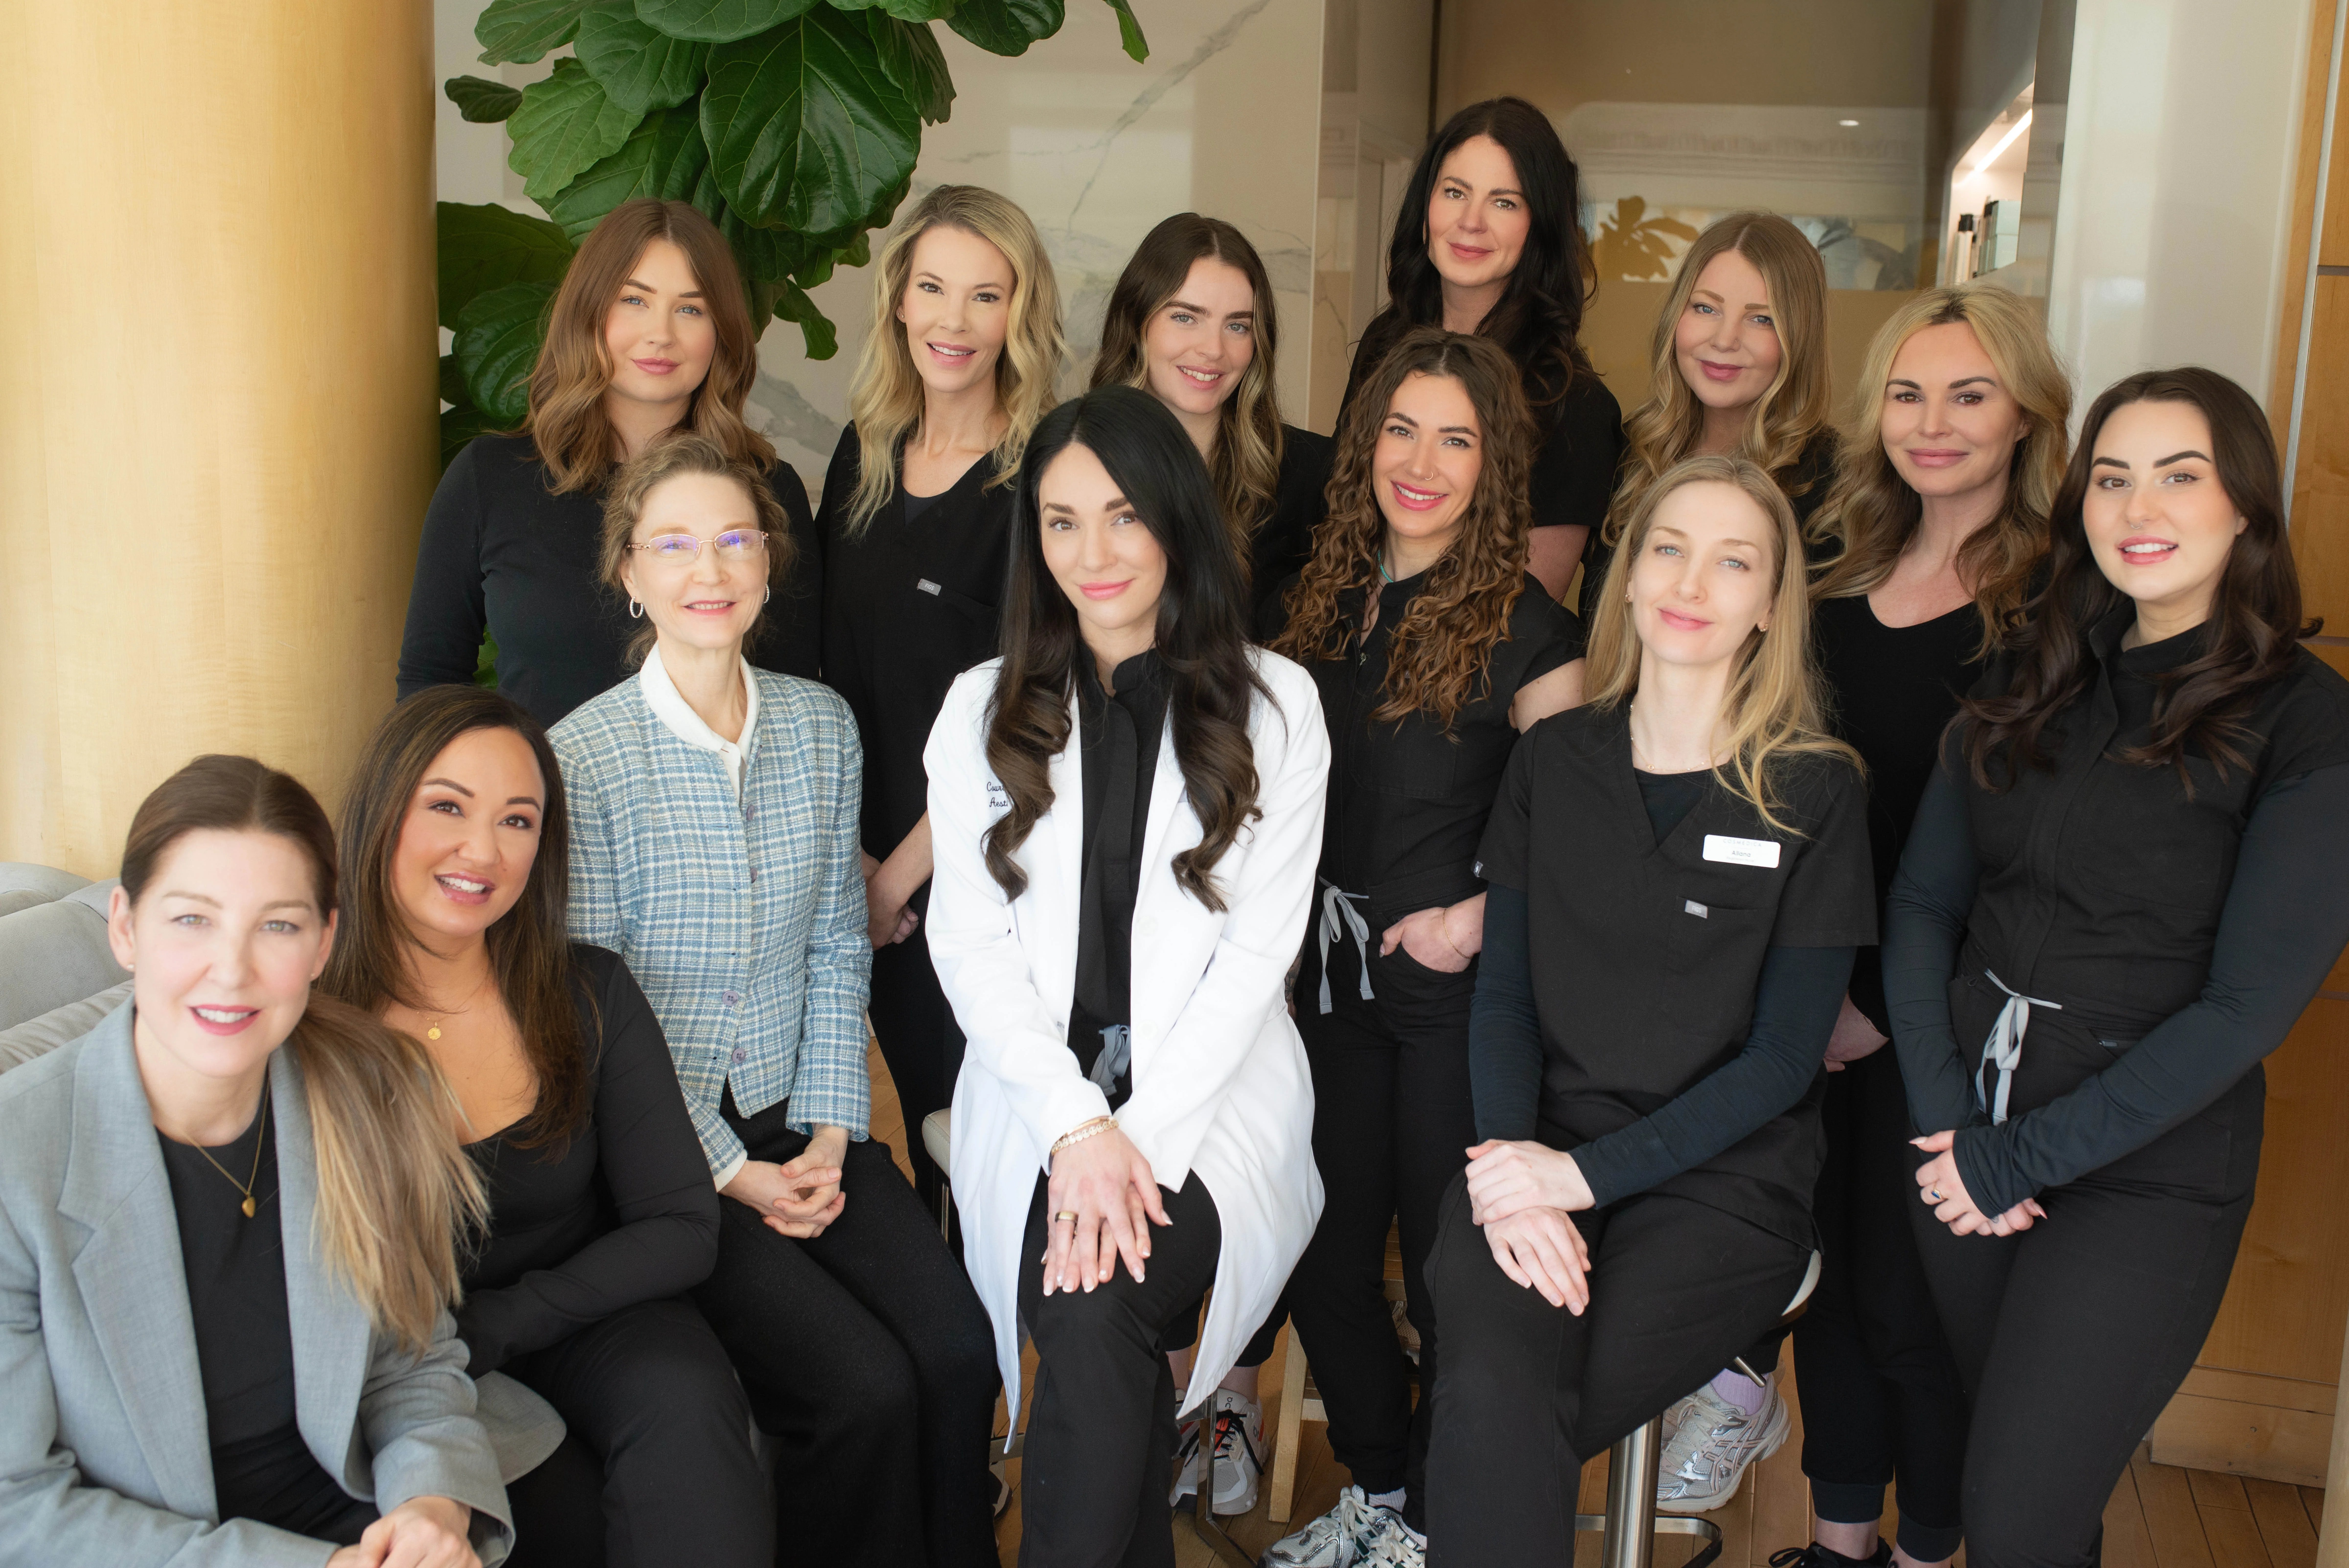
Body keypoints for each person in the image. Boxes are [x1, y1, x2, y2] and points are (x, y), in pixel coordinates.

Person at [1883, 367, 2349, 1566]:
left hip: (2145, 1173)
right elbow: (1925, 903)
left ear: (2242, 505)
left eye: (2179, 474)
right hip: (1964, 1146)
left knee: (2016, 1509)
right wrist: (1948, 1121)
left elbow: (2246, 1008)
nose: (2138, 503)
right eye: (2111, 474)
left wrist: (2014, 1158)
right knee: (2033, 1494)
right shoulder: (2028, 673)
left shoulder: (2308, 719)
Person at [552, 433, 999, 1568]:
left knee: (957, 1348)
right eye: (675, 543)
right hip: (668, 1151)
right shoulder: (581, 758)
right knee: (859, 1387)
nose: (710, 567)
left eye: (734, 538)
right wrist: (730, 1168)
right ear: (630, 573)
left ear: (766, 562)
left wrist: (836, 1126)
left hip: (809, 1114)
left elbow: (839, 942)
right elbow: (593, 1008)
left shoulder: (820, 723)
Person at [1423, 455, 1876, 1564]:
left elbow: (1780, 1060)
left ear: (1770, 602)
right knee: (1493, 1384)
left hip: (1723, 1184)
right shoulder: (1552, 758)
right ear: (1623, 577)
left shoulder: (1812, 786)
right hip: (1532, 1151)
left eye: (1733, 560)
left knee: (1497, 1417)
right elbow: (1507, 994)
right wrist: (1510, 1168)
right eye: (1667, 547)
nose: (1691, 579)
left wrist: (1574, 1182)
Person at [924, 385, 1329, 1567]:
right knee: (1095, 1313)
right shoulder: (977, 710)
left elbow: (1258, 955)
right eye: (1059, 522)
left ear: (1175, 521)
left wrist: (1133, 1138)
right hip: (1041, 1098)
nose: (1091, 553)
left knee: (1097, 1303)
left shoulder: (1276, 703)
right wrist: (1074, 1129)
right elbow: (969, 946)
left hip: (1207, 1100)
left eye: (1120, 516)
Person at [0, 754, 559, 1568]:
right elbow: (16, 1506)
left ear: (325, 941)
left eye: (279, 925)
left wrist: (431, 1508)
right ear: (124, 928)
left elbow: (413, 1358)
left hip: (371, 1514)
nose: (233, 969)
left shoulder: (368, 1091)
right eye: (192, 920)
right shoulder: (19, 1157)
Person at [1725, 284, 2070, 1561]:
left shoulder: (2052, 608)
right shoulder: (1841, 573)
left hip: (1941, 1017)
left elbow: (2028, 848)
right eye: (1911, 394)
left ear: (2027, 415)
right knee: (1830, 1292)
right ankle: (1836, 1543)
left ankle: (1925, 1548)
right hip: (1810, 997)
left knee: (1911, 1299)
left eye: (1970, 395)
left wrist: (1879, 1009)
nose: (1934, 424)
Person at [1256, 326, 1586, 1567]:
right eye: (1400, 429)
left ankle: (1447, 1519)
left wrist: (1473, 921)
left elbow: (1573, 842)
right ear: (1365, 443)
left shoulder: (1537, 635)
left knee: (1451, 1272)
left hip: (1459, 997)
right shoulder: (1311, 600)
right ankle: (1384, 1492)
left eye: (1457, 438)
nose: (1422, 460)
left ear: (1492, 463)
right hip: (1319, 986)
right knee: (1321, 1248)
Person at [322, 684, 771, 1568]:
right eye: (448, 807)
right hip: (398, 1367)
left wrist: (501, 1322)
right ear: (380, 813)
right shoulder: (304, 1021)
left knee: (688, 1409)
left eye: (518, 821)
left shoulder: (588, 991)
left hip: (584, 1314)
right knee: (552, 1525)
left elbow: (682, 1227)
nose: (482, 850)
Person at [814, 184, 1067, 1208]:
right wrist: (850, 863)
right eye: (933, 289)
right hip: (854, 869)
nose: (954, 323)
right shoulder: (863, 455)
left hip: (972, 877)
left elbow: (1031, 709)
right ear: (900, 303)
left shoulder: (1043, 475)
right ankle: (950, 1368)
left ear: (1020, 313)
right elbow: (830, 677)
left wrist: (899, 879)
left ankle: (1010, 1364)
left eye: (984, 295)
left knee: (981, 1153)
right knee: (912, 1148)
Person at [400, 197, 820, 729]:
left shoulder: (764, 491)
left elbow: (797, 693)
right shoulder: (490, 477)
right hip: (545, 805)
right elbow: (429, 682)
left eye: (691, 308)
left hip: (721, 807)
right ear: (589, 311)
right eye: (633, 300)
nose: (661, 334)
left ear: (723, 332)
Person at [1339, 96, 1623, 603]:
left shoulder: (1574, 405)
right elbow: (1341, 520)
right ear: (1425, 206)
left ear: (1540, 227)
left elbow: (1525, 610)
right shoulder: (1385, 347)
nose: (1471, 221)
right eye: (1455, 192)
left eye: (1505, 202)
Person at [1579, 210, 1838, 623]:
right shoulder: (1631, 450)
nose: (1724, 340)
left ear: (1799, 337)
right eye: (1705, 308)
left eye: (1761, 319)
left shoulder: (1836, 486)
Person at [1089, 212, 1334, 624]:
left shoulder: (1315, 474)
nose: (1213, 350)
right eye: (1186, 317)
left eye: (1237, 326)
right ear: (1137, 324)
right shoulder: (1076, 462)